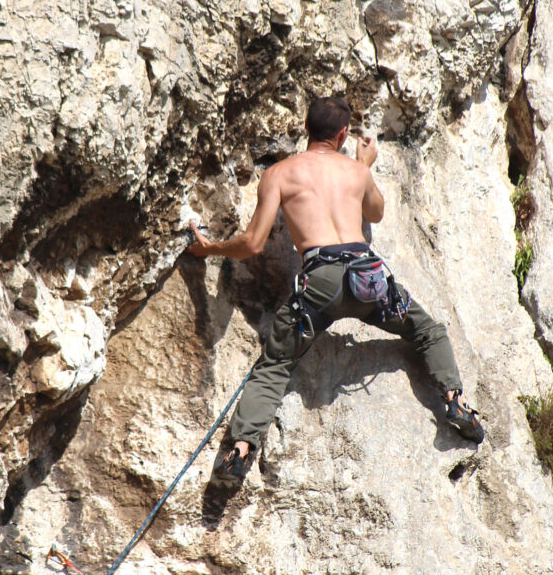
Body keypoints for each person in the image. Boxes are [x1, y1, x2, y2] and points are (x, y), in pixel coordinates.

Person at [187, 97, 483, 483]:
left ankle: (240, 449)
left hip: (320, 282)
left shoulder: (279, 174)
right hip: (368, 280)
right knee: (427, 330)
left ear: (306, 126)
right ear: (343, 134)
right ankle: (454, 401)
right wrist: (364, 167)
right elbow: (375, 213)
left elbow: (253, 243)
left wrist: (210, 248)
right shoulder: (356, 173)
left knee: (276, 365)